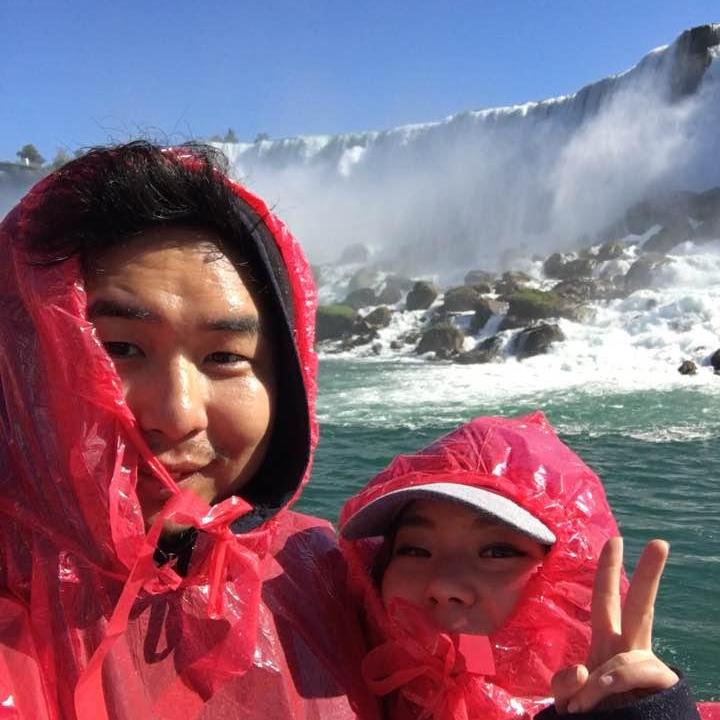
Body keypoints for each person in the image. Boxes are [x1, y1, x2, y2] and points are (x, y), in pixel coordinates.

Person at [0, 142, 380, 719]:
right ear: (17, 361)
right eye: (118, 348)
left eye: (225, 357)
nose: (179, 415)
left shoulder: (335, 578)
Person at [338, 412, 708, 720]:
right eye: (415, 550)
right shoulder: (335, 682)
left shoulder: (616, 706)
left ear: (572, 580)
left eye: (498, 552)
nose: (443, 585)